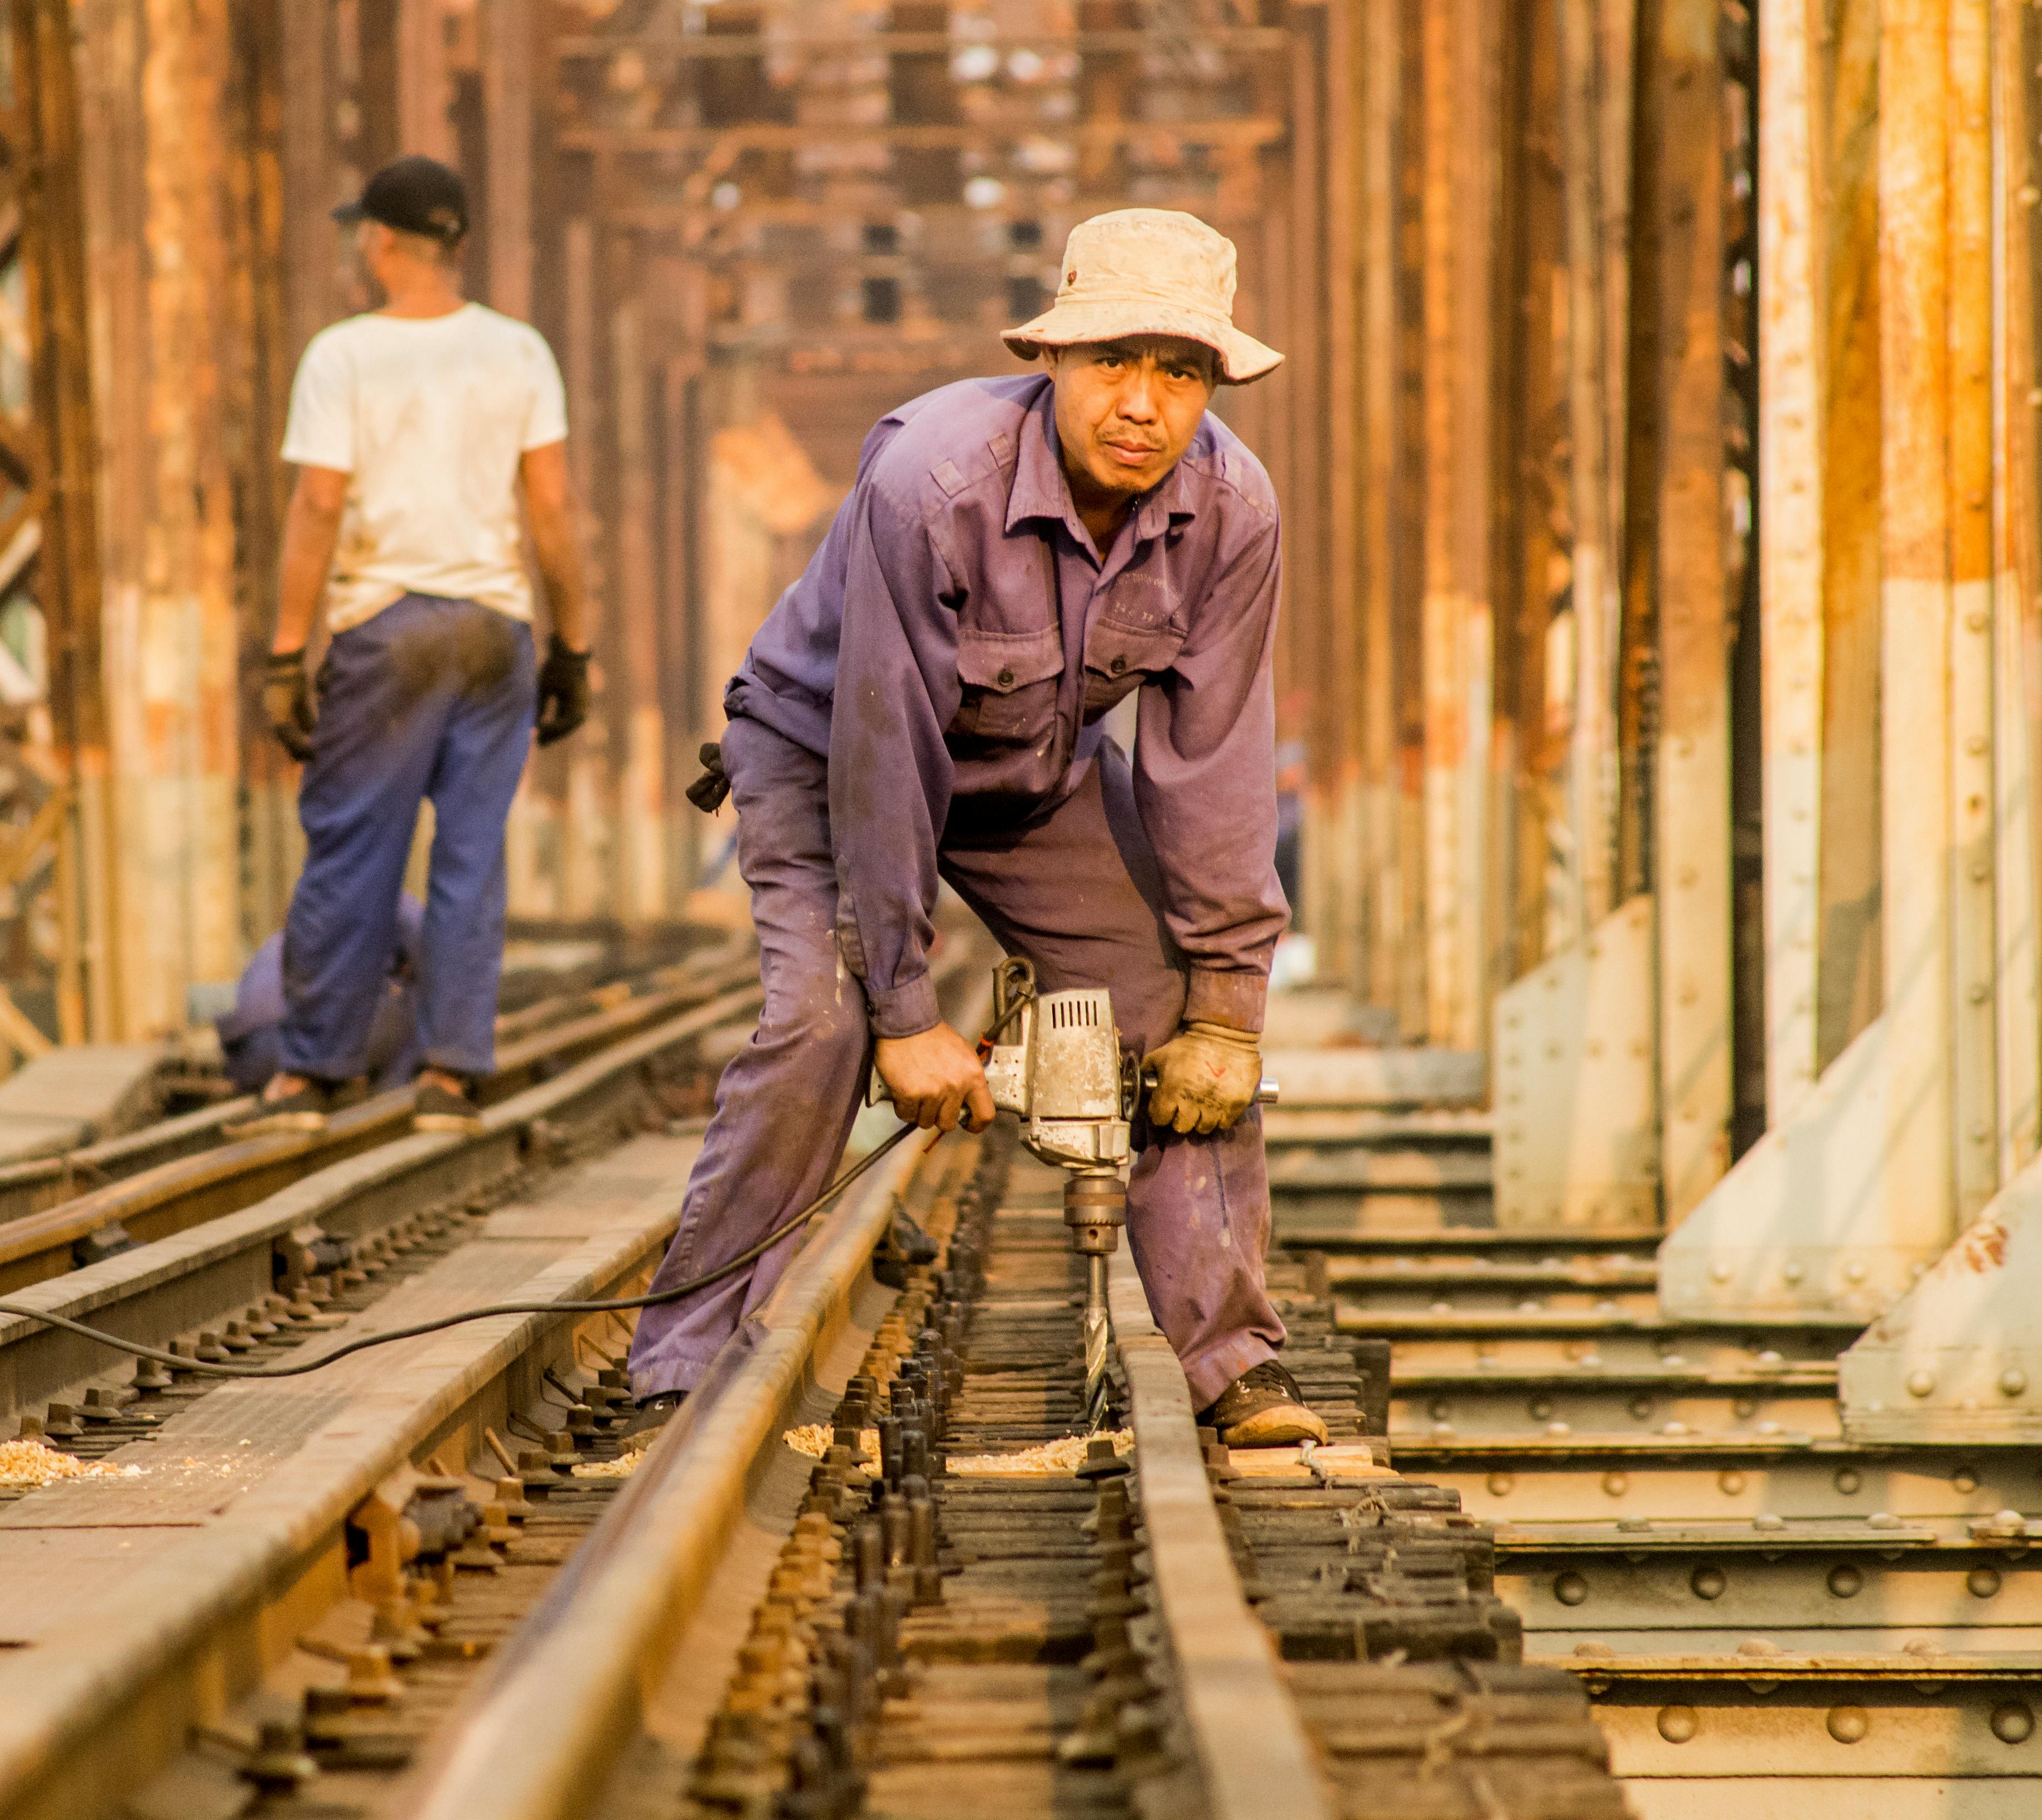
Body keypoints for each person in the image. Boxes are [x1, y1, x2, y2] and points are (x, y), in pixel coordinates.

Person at [624, 209, 1324, 1446]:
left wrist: (1229, 1002)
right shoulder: (933, 485)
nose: (1142, 404)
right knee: (820, 1023)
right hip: (824, 752)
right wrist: (903, 1014)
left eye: (1180, 372)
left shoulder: (1232, 511)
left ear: (1212, 385)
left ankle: (1231, 1361)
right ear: (1050, 358)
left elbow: (1213, 761)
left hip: (1029, 775)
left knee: (1179, 1010)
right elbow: (883, 754)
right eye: (1112, 361)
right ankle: (680, 1366)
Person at [235, 156, 593, 1139]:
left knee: (354, 846)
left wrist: (285, 652)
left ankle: (313, 1074)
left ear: (382, 241)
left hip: (388, 626)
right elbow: (552, 508)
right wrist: (573, 645)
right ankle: (449, 1075)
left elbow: (318, 503)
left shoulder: (344, 356)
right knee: (470, 855)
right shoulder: (519, 352)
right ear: (457, 244)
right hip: (493, 631)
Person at [214, 896, 425, 1097]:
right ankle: (392, 1098)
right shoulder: (376, 893)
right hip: (301, 1044)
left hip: (248, 1057)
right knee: (423, 1002)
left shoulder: (277, 942)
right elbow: (429, 945)